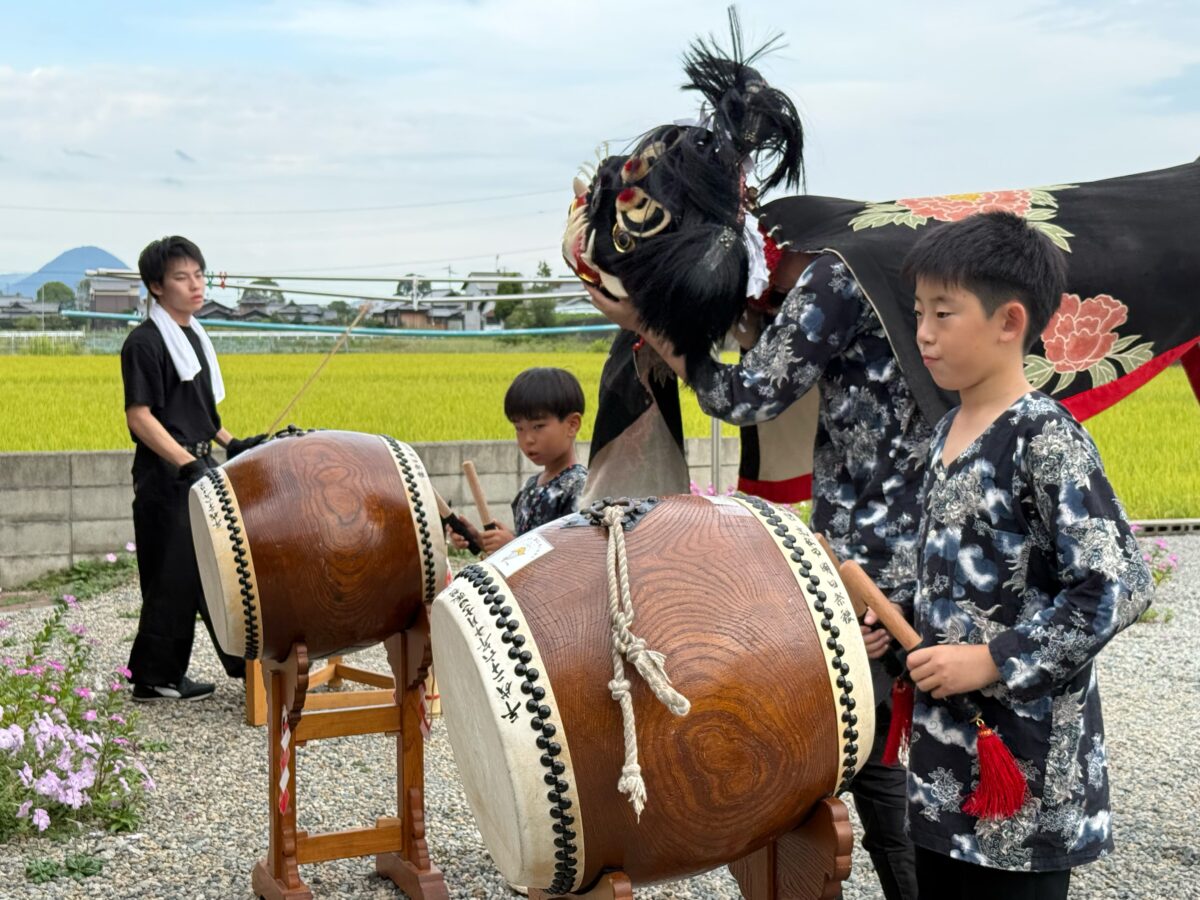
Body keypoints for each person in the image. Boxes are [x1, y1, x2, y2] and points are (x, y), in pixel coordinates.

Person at [899, 212, 1153, 899]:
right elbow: (945, 571)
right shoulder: (946, 430)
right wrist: (893, 617)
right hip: (945, 764)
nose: (923, 333)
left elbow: (1118, 585)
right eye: (919, 312)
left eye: (943, 313)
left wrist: (993, 659)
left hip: (1025, 765)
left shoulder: (1046, 438)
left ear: (1009, 321)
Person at [121, 235, 265, 701]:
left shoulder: (193, 338)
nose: (195, 285)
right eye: (182, 277)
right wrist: (186, 464)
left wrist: (232, 443)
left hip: (197, 466)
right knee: (173, 573)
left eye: (199, 275)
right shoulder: (144, 343)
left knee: (221, 568)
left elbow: (201, 415)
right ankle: (154, 678)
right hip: (166, 475)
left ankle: (246, 666)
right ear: (156, 286)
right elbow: (140, 417)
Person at [450, 367, 587, 554]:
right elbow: (527, 538)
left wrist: (514, 546)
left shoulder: (580, 488)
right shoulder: (530, 487)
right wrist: (482, 540)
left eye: (538, 426)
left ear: (572, 425)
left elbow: (575, 556)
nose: (528, 439)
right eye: (519, 428)